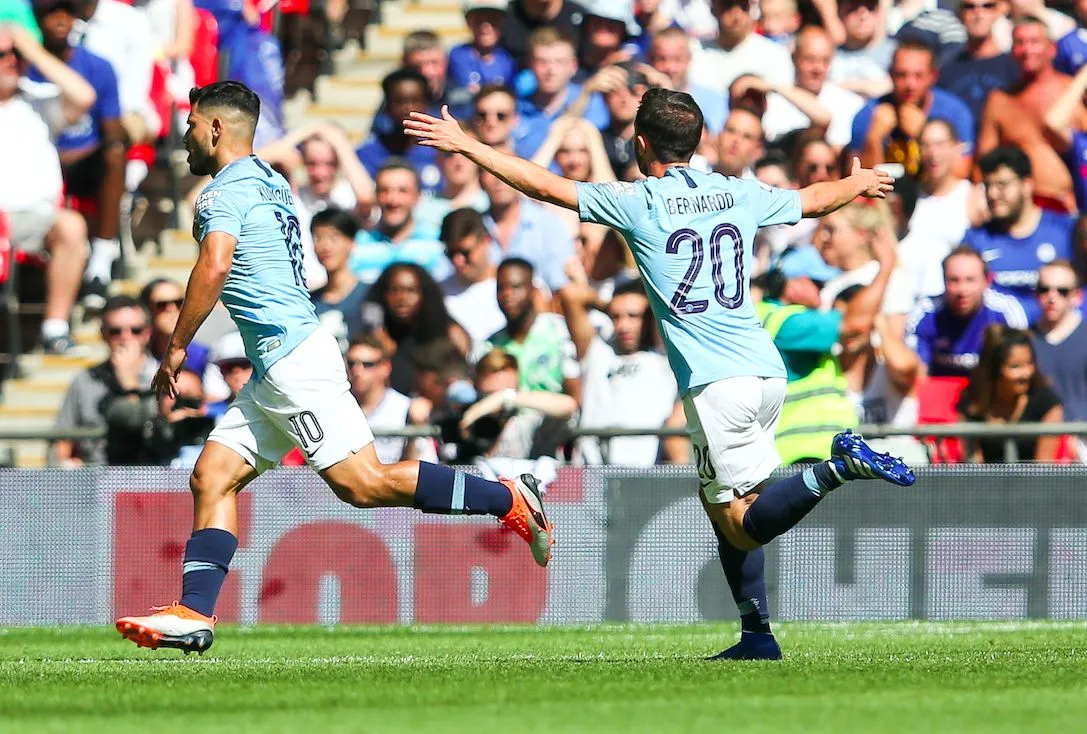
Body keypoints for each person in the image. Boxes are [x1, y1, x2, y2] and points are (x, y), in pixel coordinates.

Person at [405, 86, 914, 662]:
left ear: (641, 142)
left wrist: (468, 146)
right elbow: (813, 200)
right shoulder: (734, 191)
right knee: (721, 502)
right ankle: (756, 635)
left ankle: (837, 469)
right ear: (697, 144)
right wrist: (857, 184)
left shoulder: (638, 201)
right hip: (763, 369)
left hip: (715, 380)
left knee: (744, 523)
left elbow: (541, 184)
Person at [114, 82, 554, 655]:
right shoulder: (272, 182)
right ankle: (194, 614)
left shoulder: (221, 192)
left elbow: (216, 263)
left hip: (292, 359)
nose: (185, 134)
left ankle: (509, 497)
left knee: (363, 484)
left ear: (216, 128)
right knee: (212, 476)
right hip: (279, 364)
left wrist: (175, 347)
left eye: (192, 123)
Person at [0, 23, 93, 353]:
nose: (10, 61)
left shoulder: (39, 100)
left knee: (71, 225)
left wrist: (33, 50)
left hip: (34, 219)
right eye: (2, 55)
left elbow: (84, 96)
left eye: (15, 54)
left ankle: (55, 328)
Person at [32, 0, 126, 314]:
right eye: (51, 12)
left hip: (83, 165)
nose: (60, 20)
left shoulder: (98, 66)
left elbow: (112, 130)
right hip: (36, 170)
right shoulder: (22, 64)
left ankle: (101, 254)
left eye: (67, 12)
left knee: (115, 154)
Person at [561, 274, 686, 465]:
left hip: (645, 473)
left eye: (634, 316)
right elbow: (571, 295)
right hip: (594, 472)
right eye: (616, 317)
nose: (623, 326)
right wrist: (610, 305)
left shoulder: (663, 355)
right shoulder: (597, 350)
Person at [976, 17, 1086, 212]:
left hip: (1073, 209)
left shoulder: (1074, 94)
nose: (1027, 50)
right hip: (1021, 211)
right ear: (1012, 51)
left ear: (1052, 48)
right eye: (1020, 43)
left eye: (1034, 42)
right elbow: (984, 164)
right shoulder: (1000, 101)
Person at [963, 146, 1075, 322]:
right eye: (988, 185)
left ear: (1027, 185)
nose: (992, 194)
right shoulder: (976, 240)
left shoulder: (1065, 230)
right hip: (1001, 340)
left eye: (1002, 185)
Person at [54, 295, 158, 466]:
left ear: (147, 334)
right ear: (103, 334)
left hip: (149, 479)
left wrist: (128, 382)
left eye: (135, 330)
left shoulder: (164, 377)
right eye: (116, 331)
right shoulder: (85, 380)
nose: (126, 338)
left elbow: (138, 426)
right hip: (95, 479)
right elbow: (61, 441)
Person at [852, 38, 974, 179]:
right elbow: (856, 182)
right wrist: (873, 139)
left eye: (919, 75)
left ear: (933, 76)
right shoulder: (868, 115)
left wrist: (923, 134)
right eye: (901, 75)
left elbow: (961, 175)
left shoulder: (955, 113)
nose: (910, 84)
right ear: (891, 74)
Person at [907, 246, 1028, 379]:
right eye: (954, 280)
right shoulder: (925, 313)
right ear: (944, 281)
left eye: (970, 280)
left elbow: (1021, 370)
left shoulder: (1006, 312)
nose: (962, 290)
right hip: (938, 393)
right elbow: (915, 374)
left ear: (986, 281)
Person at [958, 325, 1063, 462]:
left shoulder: (1046, 402)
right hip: (986, 482)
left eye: (1029, 363)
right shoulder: (972, 402)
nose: (1026, 373)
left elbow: (1044, 466)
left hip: (1033, 482)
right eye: (1015, 366)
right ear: (994, 369)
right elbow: (974, 466)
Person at [365, 261, 470, 395]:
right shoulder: (377, 336)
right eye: (394, 290)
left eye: (410, 290)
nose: (402, 298)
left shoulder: (447, 333)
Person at [758, 26, 864, 151]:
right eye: (810, 59)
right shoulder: (772, 102)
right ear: (794, 58)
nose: (818, 68)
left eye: (825, 60)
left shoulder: (850, 104)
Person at [485, 257, 580, 397]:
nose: (507, 295)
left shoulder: (559, 332)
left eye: (516, 287)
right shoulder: (491, 345)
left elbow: (576, 395)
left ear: (534, 291)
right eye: (501, 288)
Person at [350, 159, 450, 286]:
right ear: (376, 196)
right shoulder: (357, 245)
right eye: (385, 190)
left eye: (402, 191)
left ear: (417, 196)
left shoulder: (438, 241)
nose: (393, 200)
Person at [937, 0, 1020, 122]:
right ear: (959, 14)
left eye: (987, 6)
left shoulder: (1014, 67)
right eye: (969, 7)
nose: (979, 14)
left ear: (998, 12)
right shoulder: (946, 71)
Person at [687, 0, 793, 95]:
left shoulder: (775, 54)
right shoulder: (692, 51)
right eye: (727, 5)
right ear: (712, 8)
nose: (737, 15)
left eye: (743, 6)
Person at [346, 334, 419, 463]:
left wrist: (416, 426)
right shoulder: (337, 407)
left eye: (367, 364)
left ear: (385, 368)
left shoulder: (406, 408)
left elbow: (421, 465)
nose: (357, 370)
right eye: (351, 363)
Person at [439, 207, 506, 346]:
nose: (458, 261)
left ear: (485, 241)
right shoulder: (438, 295)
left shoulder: (516, 285)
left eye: (465, 252)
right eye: (451, 253)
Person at [1032, 260, 1087, 424]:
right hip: (1038, 438)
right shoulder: (1025, 340)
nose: (1051, 297)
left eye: (1062, 291)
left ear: (1077, 297)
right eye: (1044, 289)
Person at [646, 25, 726, 133]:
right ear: (650, 59)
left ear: (689, 58)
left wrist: (669, 97)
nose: (670, 67)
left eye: (678, 59)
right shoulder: (640, 98)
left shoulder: (713, 100)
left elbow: (706, 141)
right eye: (662, 59)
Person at [309, 207, 367, 351]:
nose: (325, 246)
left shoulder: (370, 295)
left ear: (351, 242)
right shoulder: (309, 304)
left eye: (334, 237)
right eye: (318, 238)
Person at [448, 0, 517, 95]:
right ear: (469, 23)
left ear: (502, 22)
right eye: (478, 20)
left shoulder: (508, 60)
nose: (485, 27)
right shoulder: (457, 55)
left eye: (492, 20)